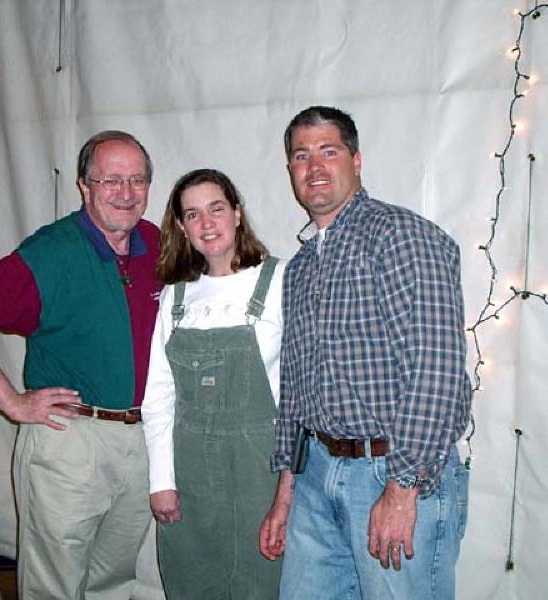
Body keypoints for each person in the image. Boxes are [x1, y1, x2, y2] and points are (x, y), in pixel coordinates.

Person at [0, 130, 161, 600]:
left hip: (142, 441)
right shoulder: (51, 253)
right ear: (84, 186)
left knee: (114, 581)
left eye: (137, 180)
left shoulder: (156, 244)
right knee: (54, 587)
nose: (126, 193)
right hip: (69, 442)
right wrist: (13, 403)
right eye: (111, 180)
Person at [259, 106, 472, 599]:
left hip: (392, 472)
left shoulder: (400, 236)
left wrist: (401, 488)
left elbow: (435, 370)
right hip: (315, 475)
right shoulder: (301, 268)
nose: (314, 167)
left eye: (328, 151)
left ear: (356, 160)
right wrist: (286, 492)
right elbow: (296, 386)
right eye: (300, 156)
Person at [141, 169, 285, 599]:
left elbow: (300, 393)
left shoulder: (281, 282)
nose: (207, 223)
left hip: (260, 465)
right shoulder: (176, 295)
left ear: (237, 214)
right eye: (193, 214)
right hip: (190, 468)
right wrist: (161, 481)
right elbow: (159, 395)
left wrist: (287, 491)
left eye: (216, 209)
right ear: (182, 227)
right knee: (194, 580)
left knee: (261, 581)